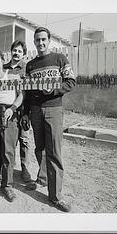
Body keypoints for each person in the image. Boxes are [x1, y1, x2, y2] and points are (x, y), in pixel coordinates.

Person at [22, 27, 76, 212]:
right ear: (34, 42)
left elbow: (70, 81)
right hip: (36, 111)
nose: (41, 43)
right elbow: (27, 92)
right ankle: (43, 178)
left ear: (49, 40)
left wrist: (53, 90)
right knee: (40, 149)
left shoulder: (60, 59)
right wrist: (26, 112)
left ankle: (55, 196)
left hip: (54, 110)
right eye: (37, 40)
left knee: (54, 152)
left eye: (43, 39)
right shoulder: (30, 65)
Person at [0, 50, 24, 202]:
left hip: (9, 113)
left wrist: (12, 109)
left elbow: (21, 95)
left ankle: (8, 185)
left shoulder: (12, 75)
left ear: (2, 61)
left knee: (8, 150)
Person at [3, 40, 32, 183]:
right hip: (8, 110)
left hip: (24, 109)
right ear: (11, 51)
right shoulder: (4, 68)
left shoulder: (27, 68)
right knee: (10, 141)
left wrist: (27, 112)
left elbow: (28, 91)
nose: (16, 53)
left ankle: (25, 168)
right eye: (15, 50)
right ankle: (9, 168)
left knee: (24, 139)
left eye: (20, 51)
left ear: (23, 54)